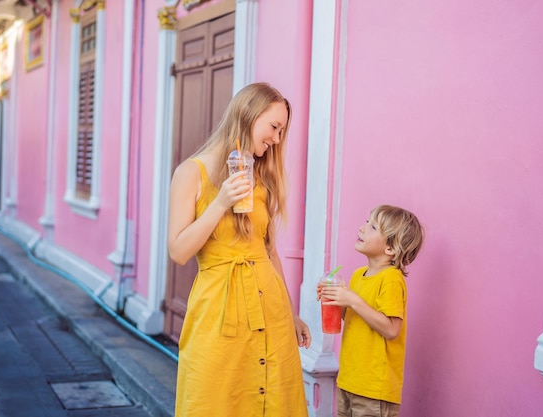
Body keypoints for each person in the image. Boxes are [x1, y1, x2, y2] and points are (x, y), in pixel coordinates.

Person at [168, 82, 311, 417]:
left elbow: (269, 249)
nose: (277, 139)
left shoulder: (260, 177)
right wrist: (220, 202)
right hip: (219, 311)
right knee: (216, 400)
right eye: (274, 127)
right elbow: (178, 251)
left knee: (275, 401)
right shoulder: (191, 173)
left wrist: (289, 313)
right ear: (248, 115)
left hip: (270, 309)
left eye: (282, 131)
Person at [318, 204, 424, 417]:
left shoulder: (391, 279)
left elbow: (392, 329)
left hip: (374, 389)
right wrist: (337, 301)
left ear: (390, 248)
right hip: (349, 381)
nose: (362, 228)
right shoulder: (359, 275)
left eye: (373, 227)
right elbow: (355, 319)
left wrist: (353, 300)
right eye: (367, 222)